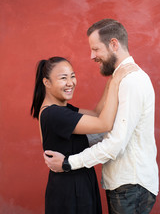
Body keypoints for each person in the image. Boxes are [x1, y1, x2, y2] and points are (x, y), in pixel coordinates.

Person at [43, 19, 159, 214]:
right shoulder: (119, 79)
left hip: (131, 185)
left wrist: (68, 163)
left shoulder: (131, 81)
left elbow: (115, 143)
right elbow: (107, 128)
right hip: (123, 185)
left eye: (95, 49)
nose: (92, 56)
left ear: (114, 44)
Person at [31, 56, 137, 214]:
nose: (70, 83)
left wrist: (111, 80)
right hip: (70, 192)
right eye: (63, 78)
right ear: (46, 82)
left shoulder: (61, 110)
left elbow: (97, 114)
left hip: (78, 185)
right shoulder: (54, 114)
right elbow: (104, 123)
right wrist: (116, 83)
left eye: (72, 76)